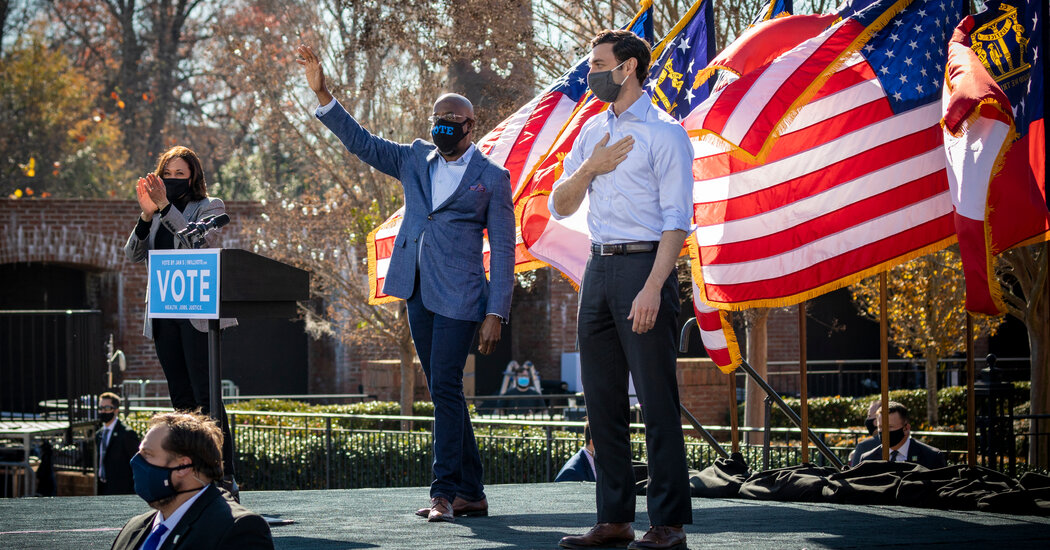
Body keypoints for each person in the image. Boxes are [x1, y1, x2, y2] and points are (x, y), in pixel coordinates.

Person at [296, 44, 515, 523]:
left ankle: (443, 493)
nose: (443, 125)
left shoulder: (493, 178)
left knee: (445, 386)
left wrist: (496, 311)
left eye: (452, 119)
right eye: (437, 118)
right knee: (444, 390)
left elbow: (503, 250)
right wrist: (324, 95)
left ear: (470, 125)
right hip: (416, 289)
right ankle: (472, 493)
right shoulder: (415, 158)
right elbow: (364, 143)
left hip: (462, 297)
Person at [551, 30, 694, 550]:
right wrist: (591, 167)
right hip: (597, 269)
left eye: (598, 64)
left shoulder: (666, 134)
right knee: (602, 402)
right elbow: (560, 204)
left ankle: (668, 524)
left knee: (657, 401)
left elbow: (677, 221)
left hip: (645, 269)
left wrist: (654, 287)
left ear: (628, 67)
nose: (590, 73)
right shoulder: (591, 131)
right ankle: (614, 520)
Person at [123, 146, 239, 496]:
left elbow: (196, 242)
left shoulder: (209, 206)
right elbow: (132, 254)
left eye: (180, 174)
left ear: (193, 177)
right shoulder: (155, 212)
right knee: (182, 399)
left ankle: (223, 475)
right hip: (164, 312)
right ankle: (194, 474)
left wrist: (165, 207)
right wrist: (146, 216)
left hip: (197, 313)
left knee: (206, 396)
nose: (173, 179)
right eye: (167, 174)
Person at [110, 412, 273, 550]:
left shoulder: (238, 529)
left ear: (183, 466)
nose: (135, 462)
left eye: (148, 454)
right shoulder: (133, 528)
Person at [859, 401, 947, 469]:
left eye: (890, 427)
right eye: (881, 427)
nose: (884, 432)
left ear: (906, 428)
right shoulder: (868, 459)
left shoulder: (931, 457)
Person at [96, 392, 140, 495]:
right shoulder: (99, 434)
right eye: (100, 408)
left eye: (107, 408)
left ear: (116, 410)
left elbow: (137, 463)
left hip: (122, 490)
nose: (103, 411)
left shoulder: (127, 433)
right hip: (103, 487)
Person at [848, 401, 881, 467]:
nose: (867, 419)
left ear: (877, 419)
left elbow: (855, 472)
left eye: (869, 416)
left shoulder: (864, 447)